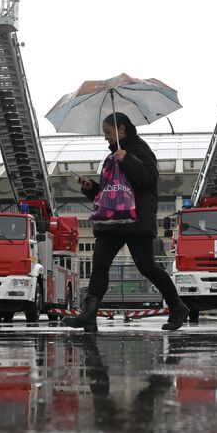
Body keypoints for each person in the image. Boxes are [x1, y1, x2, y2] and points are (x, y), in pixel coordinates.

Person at [64, 113, 189, 332]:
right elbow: (108, 193)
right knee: (100, 265)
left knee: (147, 266)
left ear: (121, 130)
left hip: (135, 220)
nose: (106, 138)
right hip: (112, 222)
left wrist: (128, 159)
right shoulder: (111, 158)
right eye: (104, 133)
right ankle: (89, 314)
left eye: (108, 132)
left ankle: (178, 307)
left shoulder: (140, 150)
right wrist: (90, 187)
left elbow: (148, 179)